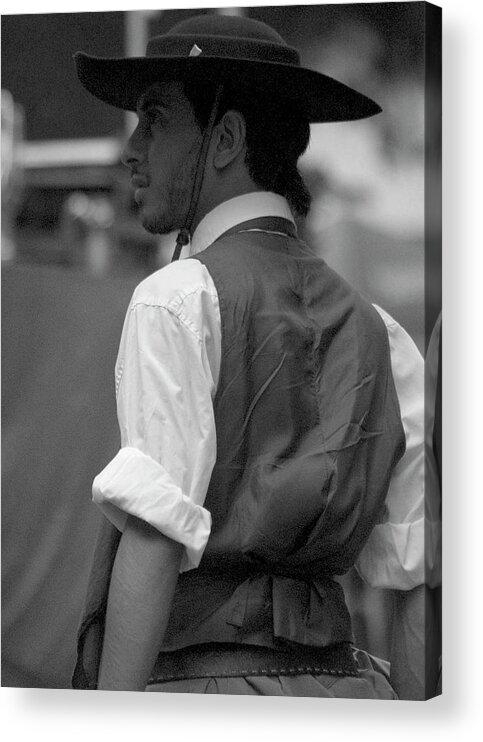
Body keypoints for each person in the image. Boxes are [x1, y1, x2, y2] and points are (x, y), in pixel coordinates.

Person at [72, 13, 439, 698]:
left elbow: (153, 542)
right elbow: (411, 584)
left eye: (154, 118)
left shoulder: (176, 297)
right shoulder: (383, 333)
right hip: (354, 695)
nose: (132, 147)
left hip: (203, 694)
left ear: (226, 138)